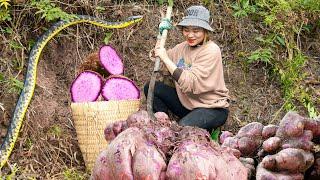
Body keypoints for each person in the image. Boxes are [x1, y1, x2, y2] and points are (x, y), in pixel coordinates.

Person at [144, 5, 230, 133]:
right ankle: (162, 125)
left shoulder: (211, 50)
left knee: (180, 131)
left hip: (211, 108)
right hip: (188, 104)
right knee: (153, 88)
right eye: (186, 30)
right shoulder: (182, 47)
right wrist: (158, 46)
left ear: (205, 31)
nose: (190, 35)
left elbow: (190, 83)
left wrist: (165, 58)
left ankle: (188, 126)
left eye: (196, 31)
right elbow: (163, 64)